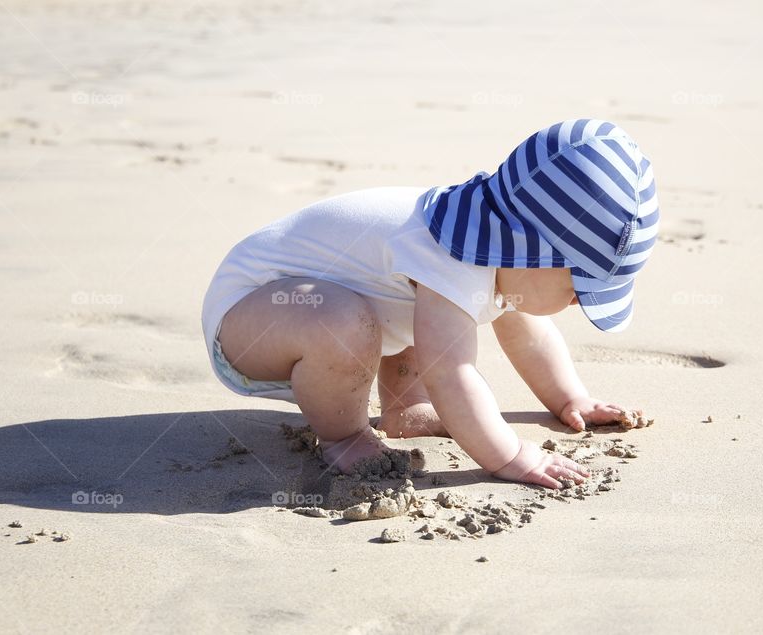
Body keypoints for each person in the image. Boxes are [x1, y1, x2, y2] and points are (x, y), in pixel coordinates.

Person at [200, 118, 659, 489]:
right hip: (247, 320)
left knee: (400, 303)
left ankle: (405, 409)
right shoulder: (448, 257)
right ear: (530, 247)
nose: (579, 302)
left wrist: (569, 397)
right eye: (579, 286)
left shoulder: (489, 246)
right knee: (351, 319)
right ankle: (343, 436)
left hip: (301, 312)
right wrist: (511, 455)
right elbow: (451, 374)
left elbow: (527, 331)